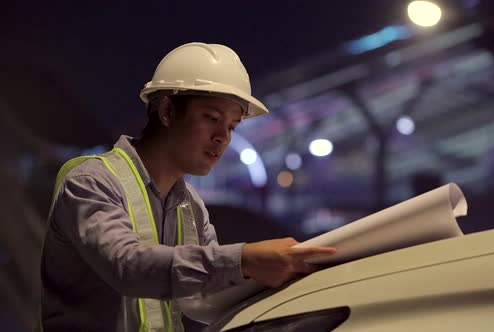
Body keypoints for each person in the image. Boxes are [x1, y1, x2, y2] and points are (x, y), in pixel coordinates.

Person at [40, 42, 336, 332]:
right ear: (167, 111)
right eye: (212, 118)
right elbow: (127, 266)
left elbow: (210, 292)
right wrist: (245, 259)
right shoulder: (91, 182)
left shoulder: (190, 206)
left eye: (232, 126)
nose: (223, 137)